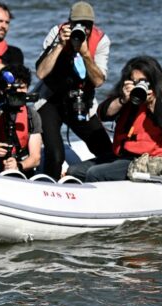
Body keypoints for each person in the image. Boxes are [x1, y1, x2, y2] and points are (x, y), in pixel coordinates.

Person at [66, 55, 162, 182]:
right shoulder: (127, 95)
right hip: (123, 154)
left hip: (149, 158)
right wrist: (122, 99)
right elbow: (104, 114)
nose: (138, 86)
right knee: (74, 171)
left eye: (143, 81)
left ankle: (101, 199)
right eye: (134, 81)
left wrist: (152, 103)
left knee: (95, 173)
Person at [35, 1, 113, 179]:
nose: (82, 29)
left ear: (92, 26)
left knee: (105, 150)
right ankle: (48, 187)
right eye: (77, 24)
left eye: (87, 25)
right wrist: (60, 46)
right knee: (55, 155)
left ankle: (100, 182)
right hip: (51, 100)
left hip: (79, 101)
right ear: (69, 23)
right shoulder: (57, 33)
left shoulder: (101, 41)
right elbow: (40, 73)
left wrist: (85, 53)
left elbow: (99, 80)